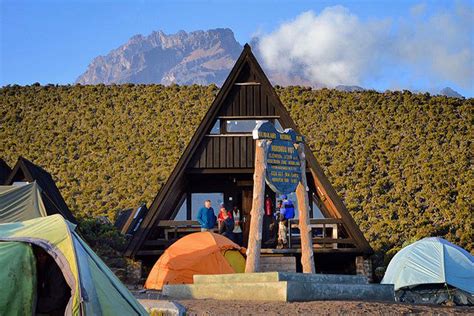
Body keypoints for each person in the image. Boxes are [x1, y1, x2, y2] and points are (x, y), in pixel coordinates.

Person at [34, 246, 70, 316]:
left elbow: (57, 299)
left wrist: (36, 305)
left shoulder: (55, 270)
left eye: (43, 255)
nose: (40, 258)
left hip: (57, 310)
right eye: (38, 255)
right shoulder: (39, 268)